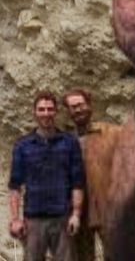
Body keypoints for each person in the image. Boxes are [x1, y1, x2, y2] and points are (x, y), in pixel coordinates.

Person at [8, 90, 84, 261]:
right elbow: (14, 187)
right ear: (34, 112)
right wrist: (15, 219)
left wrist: (76, 215)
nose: (46, 113)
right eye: (41, 109)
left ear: (56, 112)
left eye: (50, 109)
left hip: (63, 218)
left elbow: (77, 183)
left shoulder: (70, 143)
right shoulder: (22, 146)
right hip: (33, 220)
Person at [62, 89, 118, 261]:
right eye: (72, 107)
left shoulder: (113, 133)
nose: (77, 110)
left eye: (80, 105)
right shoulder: (64, 141)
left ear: (89, 105)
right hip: (77, 213)